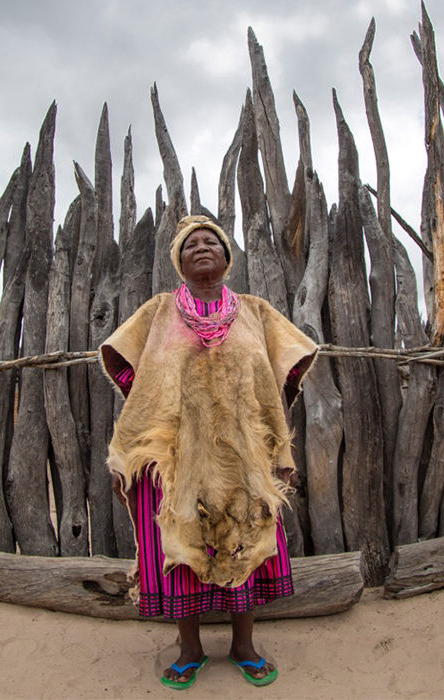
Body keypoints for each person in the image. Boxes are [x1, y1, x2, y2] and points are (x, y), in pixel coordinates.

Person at [99, 215, 317, 689]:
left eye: (211, 242)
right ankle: (190, 650)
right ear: (179, 260)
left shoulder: (254, 312)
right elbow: (127, 364)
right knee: (181, 544)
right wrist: (145, 432)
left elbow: (280, 372)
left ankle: (244, 646)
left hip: (245, 455)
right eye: (191, 244)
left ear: (225, 256)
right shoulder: (158, 312)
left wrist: (280, 452)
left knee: (247, 539)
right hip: (178, 455)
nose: (202, 247)